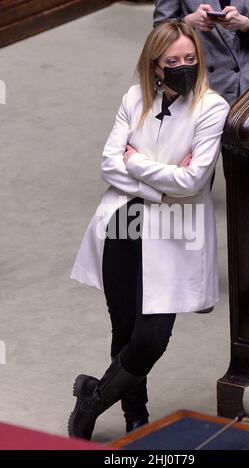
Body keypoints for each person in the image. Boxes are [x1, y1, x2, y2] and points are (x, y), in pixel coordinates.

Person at [68, 20, 230, 441]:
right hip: (124, 222)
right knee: (123, 330)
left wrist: (136, 164)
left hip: (175, 233)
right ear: (155, 66)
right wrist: (160, 182)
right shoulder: (134, 98)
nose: (183, 66)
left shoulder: (211, 107)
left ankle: (92, 397)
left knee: (150, 338)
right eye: (173, 61)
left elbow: (193, 181)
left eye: (190, 59)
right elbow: (108, 162)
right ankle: (134, 418)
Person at [153, 1, 249, 104]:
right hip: (197, 78)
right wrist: (188, 22)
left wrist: (246, 24)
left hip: (246, 86)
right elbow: (160, 27)